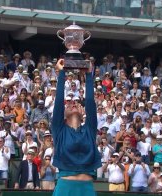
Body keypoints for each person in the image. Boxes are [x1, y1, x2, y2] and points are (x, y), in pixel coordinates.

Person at [51, 59, 101, 196]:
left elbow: (90, 102)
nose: (73, 104)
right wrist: (61, 74)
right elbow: (58, 102)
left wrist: (89, 75)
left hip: (87, 189)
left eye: (77, 103)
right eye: (69, 104)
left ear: (83, 111)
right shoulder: (59, 130)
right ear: (64, 114)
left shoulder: (89, 129)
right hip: (65, 188)